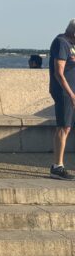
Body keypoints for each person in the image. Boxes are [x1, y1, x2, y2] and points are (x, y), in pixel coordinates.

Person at [48, 19, 75, 180]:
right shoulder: (61, 43)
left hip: (72, 92)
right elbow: (59, 72)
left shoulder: (71, 44)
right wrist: (71, 94)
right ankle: (57, 167)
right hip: (65, 92)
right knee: (63, 127)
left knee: (68, 128)